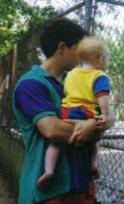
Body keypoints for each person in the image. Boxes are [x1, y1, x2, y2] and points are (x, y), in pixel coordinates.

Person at [13, 17, 102, 204]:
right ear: (62, 47)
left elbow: (104, 117)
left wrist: (95, 124)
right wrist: (94, 129)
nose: (84, 55)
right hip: (48, 192)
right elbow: (52, 130)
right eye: (80, 49)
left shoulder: (76, 82)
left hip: (80, 185)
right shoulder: (31, 84)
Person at [37, 36, 115, 189]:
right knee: (93, 141)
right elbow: (102, 97)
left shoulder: (71, 74)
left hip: (67, 112)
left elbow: (68, 92)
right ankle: (92, 163)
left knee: (56, 143)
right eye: (107, 59)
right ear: (101, 59)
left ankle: (48, 170)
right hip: (87, 113)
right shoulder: (100, 76)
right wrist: (105, 115)